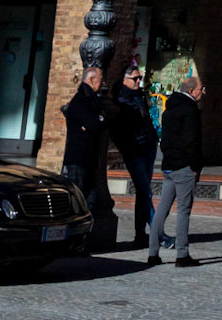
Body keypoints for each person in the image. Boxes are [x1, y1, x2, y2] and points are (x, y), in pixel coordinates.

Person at [147, 75, 206, 269]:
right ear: (191, 91)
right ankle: (182, 254)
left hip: (169, 165)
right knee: (183, 210)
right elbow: (192, 140)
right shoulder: (190, 110)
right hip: (183, 166)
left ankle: (153, 253)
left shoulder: (169, 109)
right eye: (201, 89)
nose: (203, 92)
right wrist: (195, 165)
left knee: (161, 210)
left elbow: (165, 139)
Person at [107, 63, 158, 248]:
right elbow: (118, 130)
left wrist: (152, 138)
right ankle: (158, 232)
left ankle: (140, 234)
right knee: (145, 191)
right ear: (124, 80)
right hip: (134, 151)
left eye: (139, 78)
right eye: (135, 78)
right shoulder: (120, 100)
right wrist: (128, 146)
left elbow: (146, 119)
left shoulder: (139, 96)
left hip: (148, 147)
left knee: (143, 194)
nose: (138, 81)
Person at [60, 65, 109, 222]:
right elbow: (93, 124)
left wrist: (99, 120)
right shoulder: (82, 100)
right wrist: (98, 120)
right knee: (78, 198)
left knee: (89, 198)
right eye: (100, 79)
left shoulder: (92, 99)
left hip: (89, 156)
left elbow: (97, 121)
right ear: (92, 79)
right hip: (79, 157)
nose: (103, 83)